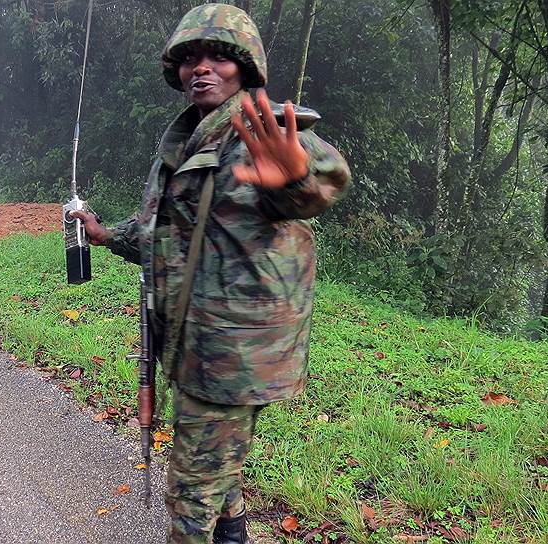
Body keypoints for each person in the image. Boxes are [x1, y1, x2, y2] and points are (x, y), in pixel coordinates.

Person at [71, 5, 351, 543]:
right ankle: (234, 534)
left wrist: (293, 182)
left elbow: (323, 175)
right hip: (193, 342)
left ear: (244, 68)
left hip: (231, 353)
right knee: (219, 465)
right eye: (191, 59)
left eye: (219, 58)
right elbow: (167, 228)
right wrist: (108, 236)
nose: (202, 68)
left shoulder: (262, 127)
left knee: (191, 494)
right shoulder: (187, 137)